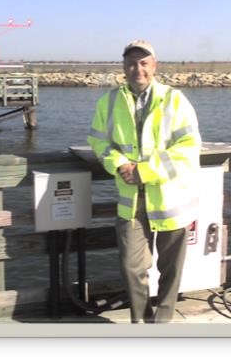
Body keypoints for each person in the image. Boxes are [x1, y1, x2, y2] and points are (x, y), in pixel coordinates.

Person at [87, 40, 202, 323]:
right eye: (131, 63)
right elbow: (99, 141)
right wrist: (119, 164)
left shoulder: (174, 100)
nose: (137, 69)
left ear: (154, 66)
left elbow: (189, 146)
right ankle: (140, 320)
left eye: (143, 63)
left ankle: (162, 321)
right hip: (132, 201)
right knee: (131, 266)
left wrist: (146, 171)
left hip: (170, 199)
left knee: (171, 268)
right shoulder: (108, 102)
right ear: (123, 67)